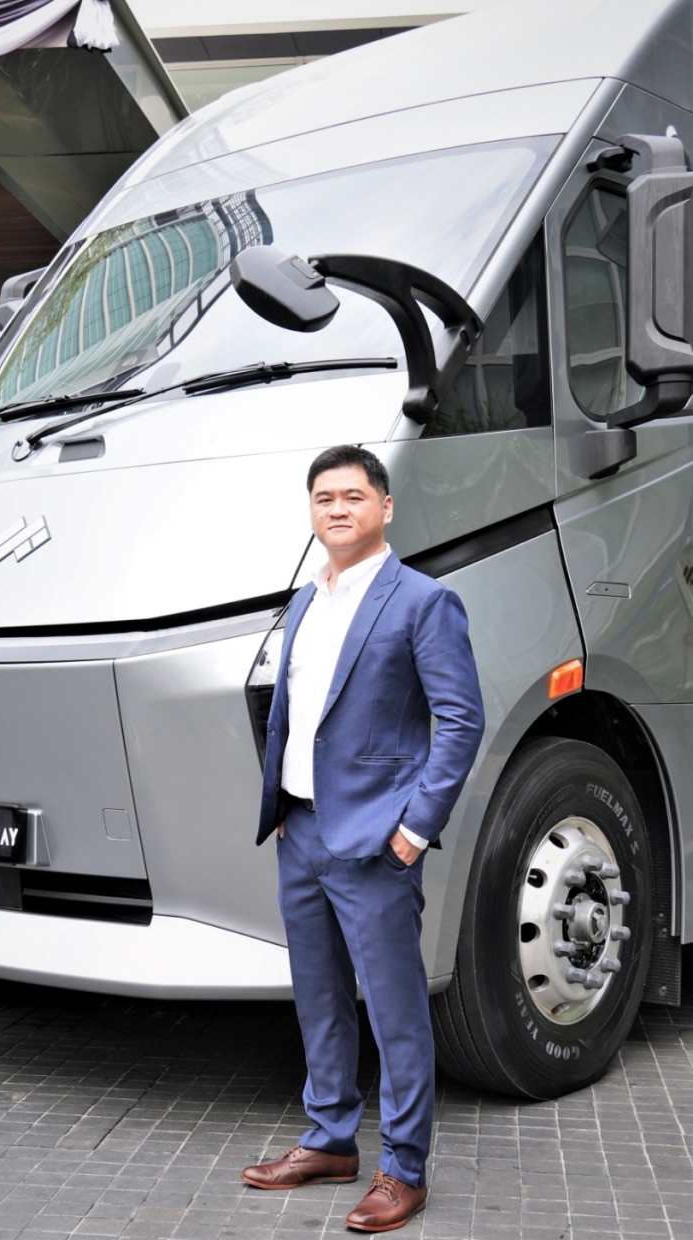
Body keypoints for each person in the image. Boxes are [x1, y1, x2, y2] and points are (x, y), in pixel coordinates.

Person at [240, 445, 485, 1232]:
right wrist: (281, 801)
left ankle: (402, 1170)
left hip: (378, 840)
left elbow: (461, 720)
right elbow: (291, 713)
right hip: (301, 830)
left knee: (394, 1010)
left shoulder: (422, 601)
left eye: (352, 495)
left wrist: (414, 828)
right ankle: (328, 1140)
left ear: (384, 507)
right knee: (318, 998)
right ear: (311, 514)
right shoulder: (304, 601)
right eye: (323, 498)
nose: (337, 508)